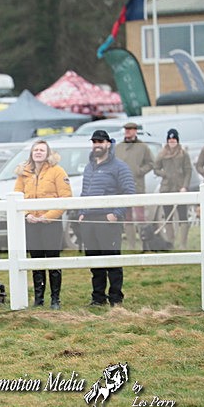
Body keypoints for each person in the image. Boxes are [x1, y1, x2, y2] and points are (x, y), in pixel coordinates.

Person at [78, 130, 135, 307]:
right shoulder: (89, 167)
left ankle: (116, 297)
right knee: (94, 261)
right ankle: (98, 297)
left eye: (100, 141)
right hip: (89, 219)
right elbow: (85, 192)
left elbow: (129, 192)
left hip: (108, 219)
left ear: (108, 143)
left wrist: (116, 213)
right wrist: (82, 211)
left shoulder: (119, 166)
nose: (97, 144)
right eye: (94, 141)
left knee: (112, 259)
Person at [14, 141, 72, 309]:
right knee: (35, 259)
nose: (38, 152)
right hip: (31, 223)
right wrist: (27, 215)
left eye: (41, 150)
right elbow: (17, 195)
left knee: (53, 259)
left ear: (48, 153)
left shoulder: (57, 171)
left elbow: (65, 197)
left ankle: (55, 299)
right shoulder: (23, 173)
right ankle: (38, 299)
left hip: (50, 223)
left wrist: (49, 216)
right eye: (35, 150)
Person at [114, 121, 154, 250]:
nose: (128, 131)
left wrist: (140, 171)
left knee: (141, 217)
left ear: (135, 131)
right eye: (126, 129)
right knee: (127, 218)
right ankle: (131, 245)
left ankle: (145, 245)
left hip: (137, 187)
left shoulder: (142, 147)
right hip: (122, 188)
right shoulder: (118, 147)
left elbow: (151, 163)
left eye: (130, 129)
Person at [153, 128, 192, 250]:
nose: (172, 141)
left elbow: (188, 171)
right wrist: (163, 174)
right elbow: (156, 168)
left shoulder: (183, 153)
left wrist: (185, 186)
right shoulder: (162, 153)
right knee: (168, 216)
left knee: (182, 216)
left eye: (174, 139)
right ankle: (170, 242)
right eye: (170, 140)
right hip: (166, 188)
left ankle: (183, 244)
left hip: (180, 188)